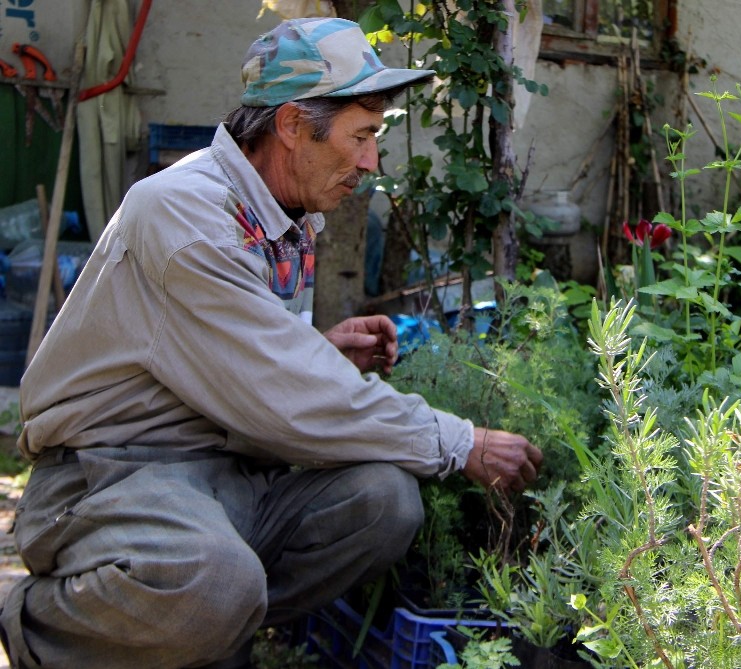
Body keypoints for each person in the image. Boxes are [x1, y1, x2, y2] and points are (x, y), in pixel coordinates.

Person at [0, 17, 542, 669]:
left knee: (384, 502)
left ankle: (197, 629)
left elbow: (239, 360)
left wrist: (318, 350)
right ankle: (42, 626)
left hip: (223, 469)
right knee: (219, 581)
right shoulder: (187, 213)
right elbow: (286, 397)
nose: (370, 161)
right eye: (362, 136)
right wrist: (464, 442)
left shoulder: (275, 213)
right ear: (291, 126)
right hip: (115, 473)